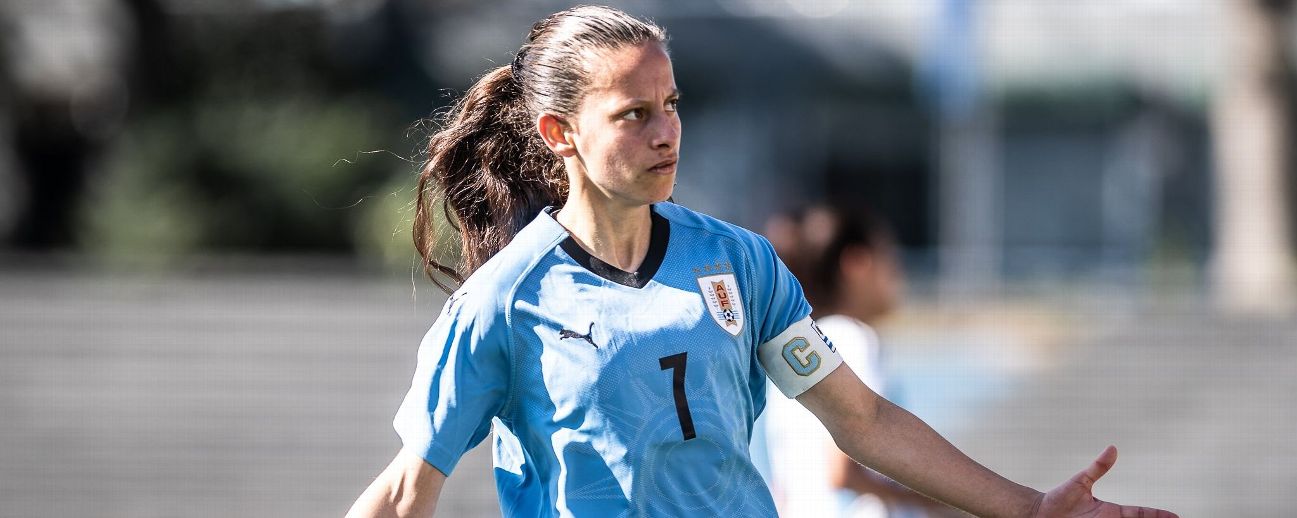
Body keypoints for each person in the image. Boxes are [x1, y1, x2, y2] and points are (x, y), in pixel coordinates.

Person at [347, 6, 1177, 517]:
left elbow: (862, 420)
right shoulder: (502, 301)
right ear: (559, 135)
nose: (665, 131)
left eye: (670, 105)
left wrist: (1029, 510)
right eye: (633, 114)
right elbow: (403, 494)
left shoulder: (737, 264)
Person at [759, 205, 955, 518]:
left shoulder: (802, 347)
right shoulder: (850, 338)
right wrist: (948, 505)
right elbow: (842, 471)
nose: (898, 276)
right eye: (890, 260)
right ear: (857, 264)